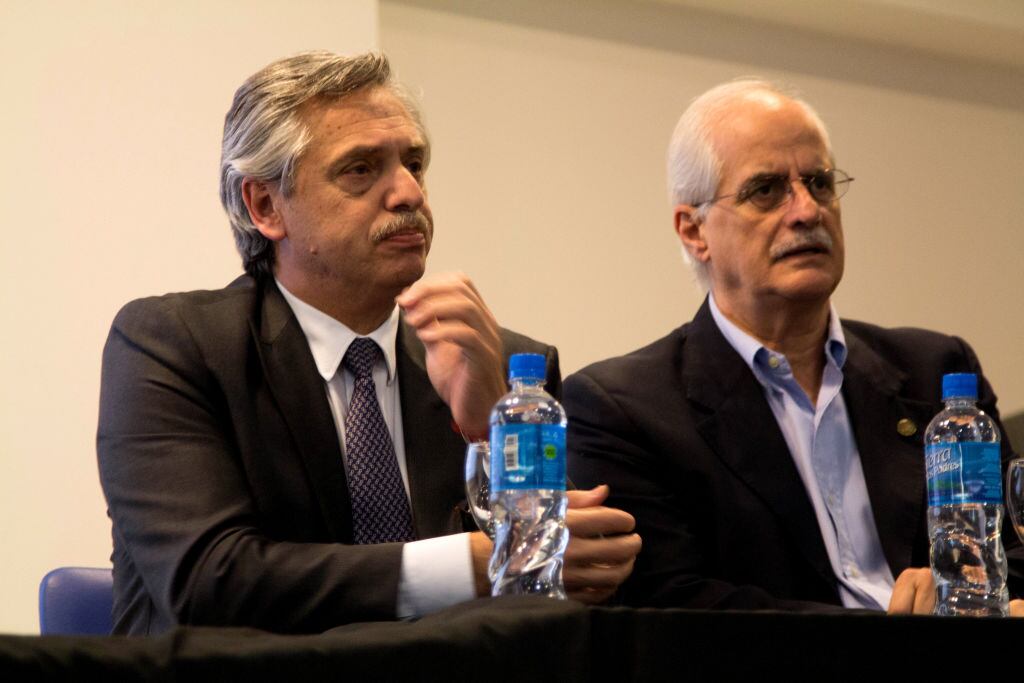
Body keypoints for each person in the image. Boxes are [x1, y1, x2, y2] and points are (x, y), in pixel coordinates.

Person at [97, 51, 640, 635]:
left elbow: (571, 585)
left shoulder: (505, 368)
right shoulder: (176, 347)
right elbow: (207, 582)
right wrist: (477, 562)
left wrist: (489, 428)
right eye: (361, 169)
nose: (408, 193)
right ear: (265, 206)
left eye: (414, 163)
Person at [564, 78, 1020, 614]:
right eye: (767, 190)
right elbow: (676, 608)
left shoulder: (936, 372)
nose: (807, 211)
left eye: (820, 183)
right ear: (694, 231)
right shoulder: (622, 409)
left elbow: (1012, 544)